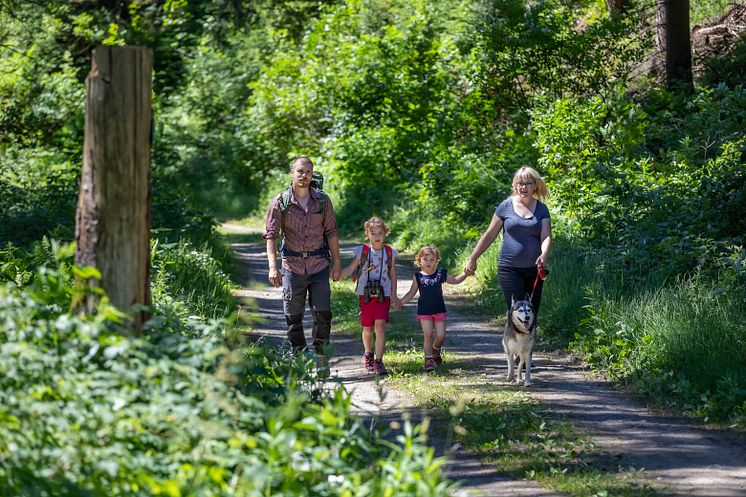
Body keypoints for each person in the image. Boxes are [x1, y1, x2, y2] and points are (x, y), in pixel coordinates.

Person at [263, 156, 341, 375]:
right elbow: (271, 235)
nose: (304, 176)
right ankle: (300, 357)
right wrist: (272, 266)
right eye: (300, 171)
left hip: (319, 266)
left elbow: (332, 232)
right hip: (292, 266)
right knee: (293, 318)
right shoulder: (281, 202)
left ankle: (321, 357)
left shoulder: (323, 201)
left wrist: (337, 263)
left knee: (323, 314)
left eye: (308, 172)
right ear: (292, 172)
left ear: (312, 174)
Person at [464, 166, 552, 315]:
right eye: (520, 183)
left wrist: (544, 254)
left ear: (535, 185)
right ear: (515, 185)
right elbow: (490, 235)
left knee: (531, 312)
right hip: (509, 269)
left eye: (528, 183)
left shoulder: (542, 209)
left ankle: (529, 339)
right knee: (517, 311)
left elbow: (546, 236)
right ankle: (513, 339)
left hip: (534, 269)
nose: (524, 187)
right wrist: (473, 258)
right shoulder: (505, 206)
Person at [340, 217, 400, 376]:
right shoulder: (363, 251)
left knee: (380, 326)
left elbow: (393, 274)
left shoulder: (389, 252)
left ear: (385, 233)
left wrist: (393, 295)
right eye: (373, 233)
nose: (377, 236)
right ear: (367, 234)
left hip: (383, 294)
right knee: (368, 328)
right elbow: (351, 268)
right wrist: (339, 274)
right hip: (365, 294)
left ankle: (379, 361)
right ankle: (368, 353)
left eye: (380, 233)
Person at [398, 245, 468, 371]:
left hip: (439, 310)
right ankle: (428, 359)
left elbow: (456, 280)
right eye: (425, 259)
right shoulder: (418, 277)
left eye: (432, 259)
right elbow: (411, 293)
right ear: (419, 261)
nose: (428, 262)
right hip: (424, 311)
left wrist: (466, 273)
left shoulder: (440, 274)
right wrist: (400, 302)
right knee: (428, 335)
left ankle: (435, 350)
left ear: (436, 261)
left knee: (441, 336)